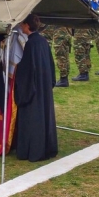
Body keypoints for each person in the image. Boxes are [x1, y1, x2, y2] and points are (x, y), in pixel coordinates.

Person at [14, 13, 58, 163]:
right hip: (43, 87)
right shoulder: (43, 42)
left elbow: (26, 70)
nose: (21, 27)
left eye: (22, 24)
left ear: (27, 26)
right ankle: (46, 147)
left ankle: (34, 150)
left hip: (33, 90)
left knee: (33, 120)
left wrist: (16, 71)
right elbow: (50, 66)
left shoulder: (31, 44)